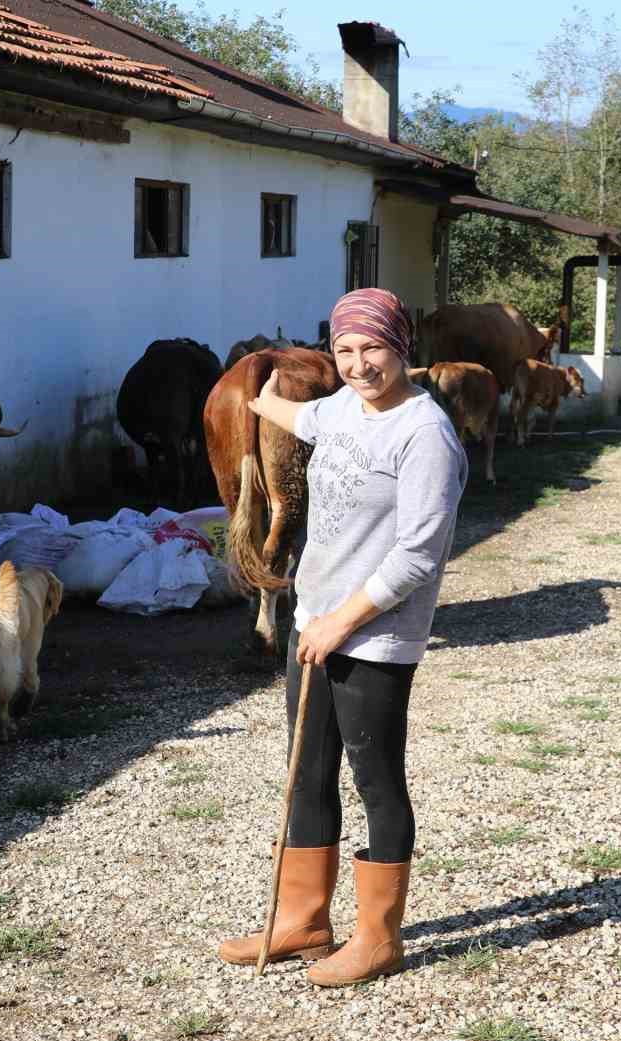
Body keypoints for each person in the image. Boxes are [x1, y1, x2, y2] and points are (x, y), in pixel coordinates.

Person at [215, 288, 468, 986]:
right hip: (314, 626)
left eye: (372, 349)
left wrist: (341, 621)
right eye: (345, 350)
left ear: (402, 348)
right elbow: (297, 413)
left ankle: (380, 938)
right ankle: (303, 921)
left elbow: (419, 555)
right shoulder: (341, 410)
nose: (359, 365)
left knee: (376, 780)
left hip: (371, 638)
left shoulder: (425, 435)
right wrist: (255, 386)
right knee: (306, 775)